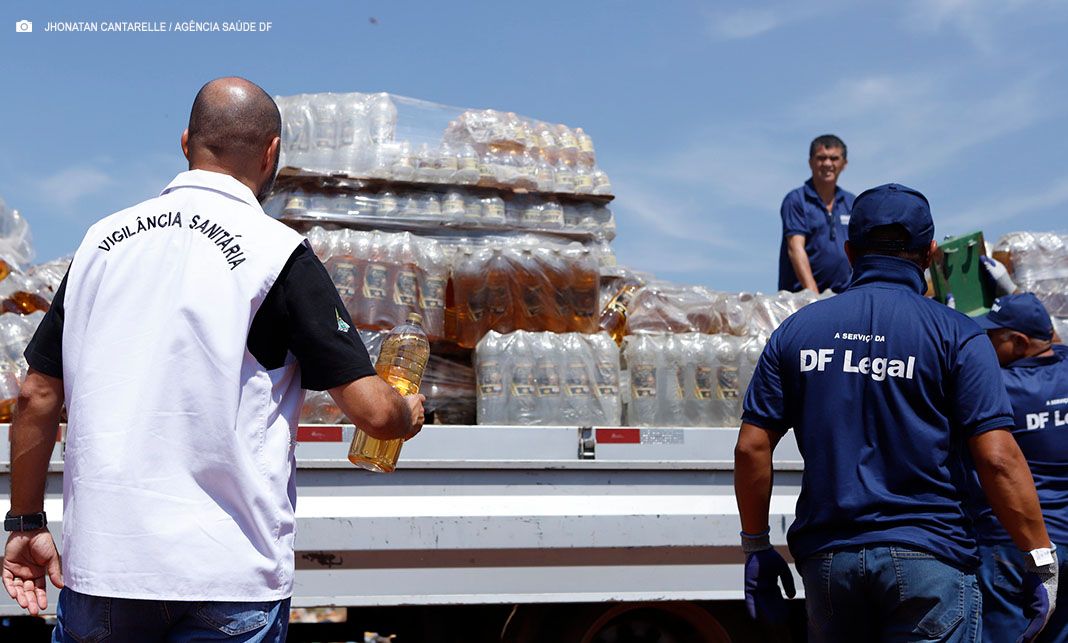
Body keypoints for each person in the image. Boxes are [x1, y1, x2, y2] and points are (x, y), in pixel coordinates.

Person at [2, 77, 424, 640]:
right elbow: (374, 413)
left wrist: (26, 520)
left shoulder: (100, 243)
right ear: (272, 152)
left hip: (105, 571)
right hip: (227, 576)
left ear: (185, 143)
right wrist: (406, 411)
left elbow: (36, 396)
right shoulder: (277, 253)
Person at [735, 183, 1058, 642]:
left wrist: (756, 545)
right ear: (929, 253)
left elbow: (751, 446)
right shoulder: (957, 335)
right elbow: (997, 457)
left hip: (831, 565)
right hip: (931, 561)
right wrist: (1039, 558)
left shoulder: (797, 331)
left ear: (849, 251)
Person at [970, 293, 1068, 642]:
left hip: (1015, 547)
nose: (986, 343)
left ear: (1020, 341)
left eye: (994, 337)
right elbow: (1054, 344)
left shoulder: (1000, 387)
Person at [777, 134, 854, 294]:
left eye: (834, 158)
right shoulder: (797, 200)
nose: (827, 163)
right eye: (821, 158)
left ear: (844, 164)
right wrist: (813, 296)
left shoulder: (851, 203)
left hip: (844, 297)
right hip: (803, 299)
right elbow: (795, 248)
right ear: (810, 162)